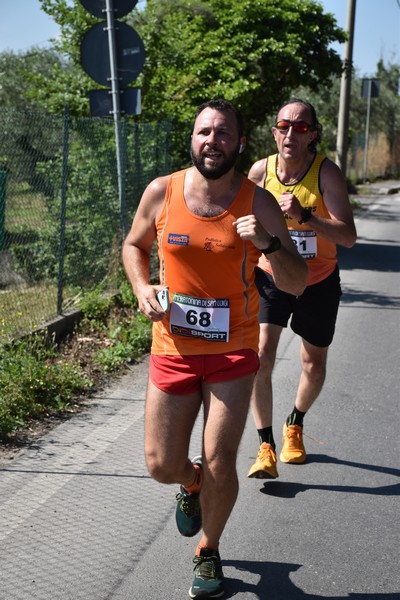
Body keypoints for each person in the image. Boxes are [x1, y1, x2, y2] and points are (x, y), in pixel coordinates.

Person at [122, 98, 307, 599]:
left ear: (240, 143)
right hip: (172, 347)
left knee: (222, 457)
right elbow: (134, 246)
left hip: (234, 350)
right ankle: (191, 482)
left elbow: (295, 281)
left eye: (224, 134)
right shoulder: (164, 191)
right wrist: (142, 289)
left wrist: (268, 243)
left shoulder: (258, 202)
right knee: (161, 464)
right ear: (193, 139)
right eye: (205, 132)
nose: (213, 141)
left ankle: (209, 548)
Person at [247, 97, 357, 480]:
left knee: (313, 362)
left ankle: (295, 422)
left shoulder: (326, 174)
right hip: (272, 274)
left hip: (319, 281)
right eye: (284, 125)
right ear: (275, 131)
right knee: (261, 356)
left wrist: (305, 216)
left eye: (301, 127)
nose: (290, 133)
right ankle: (265, 446)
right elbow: (241, 224)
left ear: (312, 135)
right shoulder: (261, 171)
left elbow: (348, 236)